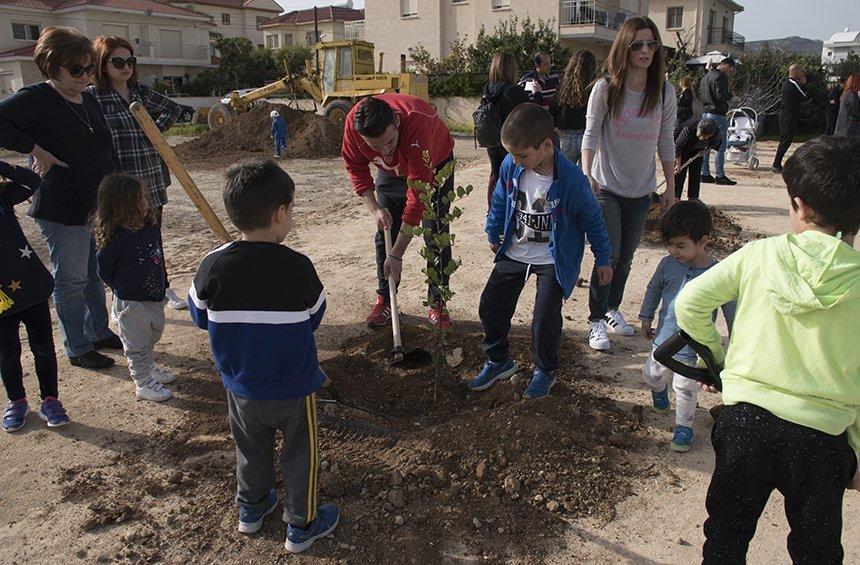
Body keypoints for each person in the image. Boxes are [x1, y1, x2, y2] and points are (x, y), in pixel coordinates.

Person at [675, 136, 860, 563]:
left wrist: (718, 362)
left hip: (747, 425)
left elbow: (690, 304)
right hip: (821, 438)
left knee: (725, 537)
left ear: (799, 206)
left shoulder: (758, 255)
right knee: (817, 549)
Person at [188, 159, 339, 553]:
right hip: (293, 387)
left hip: (241, 388)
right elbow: (314, 317)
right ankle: (301, 524)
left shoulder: (211, 265)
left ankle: (251, 510)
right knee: (299, 454)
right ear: (278, 214)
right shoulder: (298, 266)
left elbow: (200, 316)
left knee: (250, 448)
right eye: (291, 209)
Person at [0, 26, 121, 370]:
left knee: (92, 275)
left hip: (95, 206)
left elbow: (102, 146)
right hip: (60, 206)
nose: (85, 76)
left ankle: (97, 331)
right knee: (71, 280)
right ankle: (77, 346)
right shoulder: (37, 98)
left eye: (88, 68)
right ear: (51, 66)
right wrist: (35, 149)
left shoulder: (90, 97)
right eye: (76, 69)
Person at [471, 103, 611, 399]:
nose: (516, 160)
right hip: (515, 250)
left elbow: (593, 220)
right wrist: (492, 229)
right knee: (490, 305)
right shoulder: (512, 166)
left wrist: (603, 258)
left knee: (544, 319)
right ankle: (498, 361)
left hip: (552, 258)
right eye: (511, 154)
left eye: (522, 155)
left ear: (546, 146)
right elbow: (500, 198)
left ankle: (544, 371)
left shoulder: (572, 180)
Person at [581, 16, 677, 352]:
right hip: (606, 187)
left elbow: (667, 141)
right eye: (638, 44)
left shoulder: (664, 91)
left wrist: (671, 188)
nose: (646, 50)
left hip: (642, 190)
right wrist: (587, 173)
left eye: (652, 44)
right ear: (625, 47)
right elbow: (590, 135)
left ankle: (611, 309)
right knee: (609, 254)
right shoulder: (606, 88)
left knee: (627, 258)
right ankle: (595, 319)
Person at [88, 35, 187, 310]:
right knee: (122, 243)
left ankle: (162, 288)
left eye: (130, 61)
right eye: (118, 61)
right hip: (121, 189)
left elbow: (174, 109)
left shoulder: (140, 92)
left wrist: (154, 130)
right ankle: (125, 297)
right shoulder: (94, 97)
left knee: (152, 240)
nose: (126, 67)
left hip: (151, 181)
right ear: (102, 64)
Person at [341, 94, 456, 329]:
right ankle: (385, 297)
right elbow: (355, 167)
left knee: (435, 233)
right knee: (385, 230)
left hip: (433, 162)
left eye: (390, 142)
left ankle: (437, 302)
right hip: (391, 173)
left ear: (396, 121)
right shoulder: (354, 125)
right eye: (376, 147)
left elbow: (417, 200)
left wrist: (397, 255)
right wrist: (375, 209)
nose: (385, 152)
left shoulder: (418, 124)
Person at [639, 201, 734, 452]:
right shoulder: (667, 264)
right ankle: (659, 391)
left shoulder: (717, 273)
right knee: (652, 375)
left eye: (680, 246)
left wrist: (736, 334)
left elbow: (730, 304)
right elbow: (654, 289)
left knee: (685, 389)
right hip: (662, 342)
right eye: (669, 245)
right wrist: (646, 316)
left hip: (694, 348)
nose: (673, 251)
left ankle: (683, 427)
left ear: (702, 242)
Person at [94, 174, 176, 402]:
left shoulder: (150, 227)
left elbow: (159, 256)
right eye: (141, 199)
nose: (146, 202)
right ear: (123, 205)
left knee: (152, 335)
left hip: (155, 296)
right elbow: (104, 271)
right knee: (136, 344)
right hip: (132, 302)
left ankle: (149, 368)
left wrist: (164, 283)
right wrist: (123, 289)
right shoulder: (114, 239)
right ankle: (142, 381)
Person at [0, 161, 69, 432]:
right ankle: (17, 401)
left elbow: (33, 181)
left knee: (43, 348)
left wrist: (3, 167)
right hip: (2, 300)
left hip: (31, 289)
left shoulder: (4, 197)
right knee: (7, 354)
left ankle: (50, 400)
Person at [481, 52, 530, 207]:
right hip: (511, 142)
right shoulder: (514, 91)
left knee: (495, 175)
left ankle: (493, 209)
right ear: (511, 68)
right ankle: (508, 211)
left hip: (491, 140)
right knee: (513, 179)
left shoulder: (487, 89)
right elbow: (529, 113)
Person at [551, 49, 596, 167]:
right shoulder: (594, 87)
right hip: (588, 135)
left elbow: (553, 110)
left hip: (566, 136)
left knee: (565, 174)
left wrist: (558, 126)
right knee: (585, 176)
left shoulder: (563, 87)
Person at [699, 57, 736, 185]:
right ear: (726, 65)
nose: (730, 74)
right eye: (731, 71)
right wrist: (730, 95)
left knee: (706, 145)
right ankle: (720, 175)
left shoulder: (706, 77)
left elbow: (701, 94)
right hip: (717, 114)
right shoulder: (720, 77)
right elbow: (721, 96)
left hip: (705, 113)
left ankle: (704, 173)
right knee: (720, 146)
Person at [771, 63, 811, 173]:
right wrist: (803, 84)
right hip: (788, 117)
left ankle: (777, 163)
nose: (803, 73)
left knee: (786, 141)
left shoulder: (790, 83)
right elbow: (803, 96)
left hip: (789, 116)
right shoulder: (792, 83)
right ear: (796, 72)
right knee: (785, 141)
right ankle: (776, 164)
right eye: (801, 71)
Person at [673, 117, 721, 201]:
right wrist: (678, 164)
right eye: (699, 135)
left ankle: (693, 197)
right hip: (683, 148)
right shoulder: (689, 127)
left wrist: (706, 150)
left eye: (705, 137)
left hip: (698, 150)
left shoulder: (716, 132)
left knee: (696, 172)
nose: (701, 138)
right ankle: (675, 197)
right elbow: (678, 146)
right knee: (679, 173)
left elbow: (715, 143)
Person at [834, 73, 860, 137]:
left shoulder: (846, 93)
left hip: (842, 130)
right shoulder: (852, 95)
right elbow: (856, 112)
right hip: (848, 131)